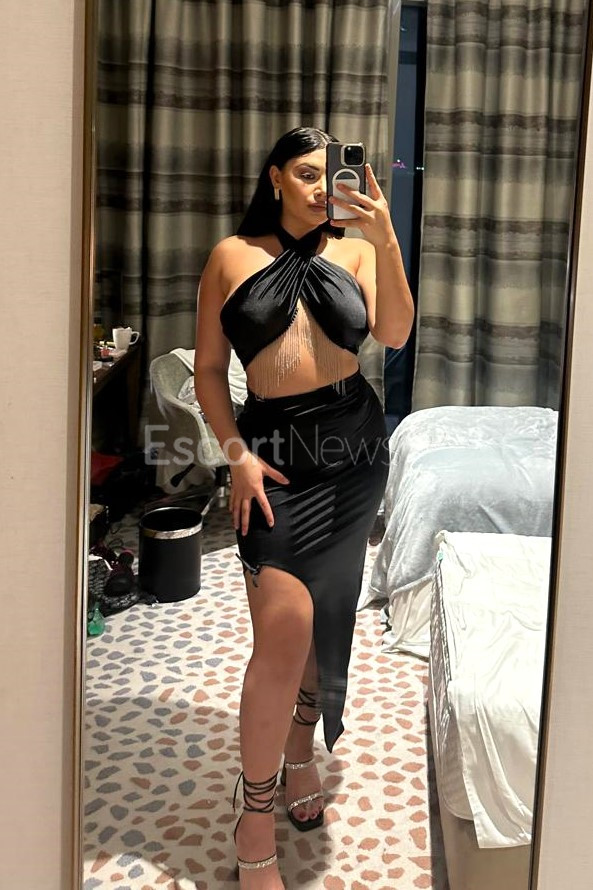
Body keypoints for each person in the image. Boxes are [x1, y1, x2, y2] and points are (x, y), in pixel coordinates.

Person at [194, 126, 414, 888]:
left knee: (327, 618)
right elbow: (210, 371)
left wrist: (384, 236)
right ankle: (254, 819)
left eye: (331, 174)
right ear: (275, 179)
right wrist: (235, 455)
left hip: (353, 454)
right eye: (307, 174)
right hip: (274, 461)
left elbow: (393, 332)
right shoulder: (230, 256)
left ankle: (298, 751)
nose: (323, 187)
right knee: (283, 632)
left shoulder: (355, 250)